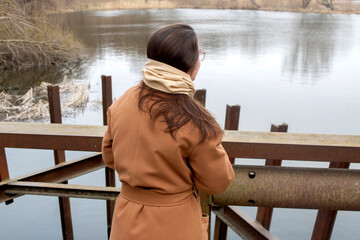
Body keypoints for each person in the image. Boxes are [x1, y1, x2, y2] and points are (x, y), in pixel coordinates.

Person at [102, 23, 234, 240]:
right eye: (199, 54)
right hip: (174, 225)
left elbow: (110, 156)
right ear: (189, 64)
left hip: (126, 220)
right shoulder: (196, 121)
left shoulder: (123, 102)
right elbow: (218, 181)